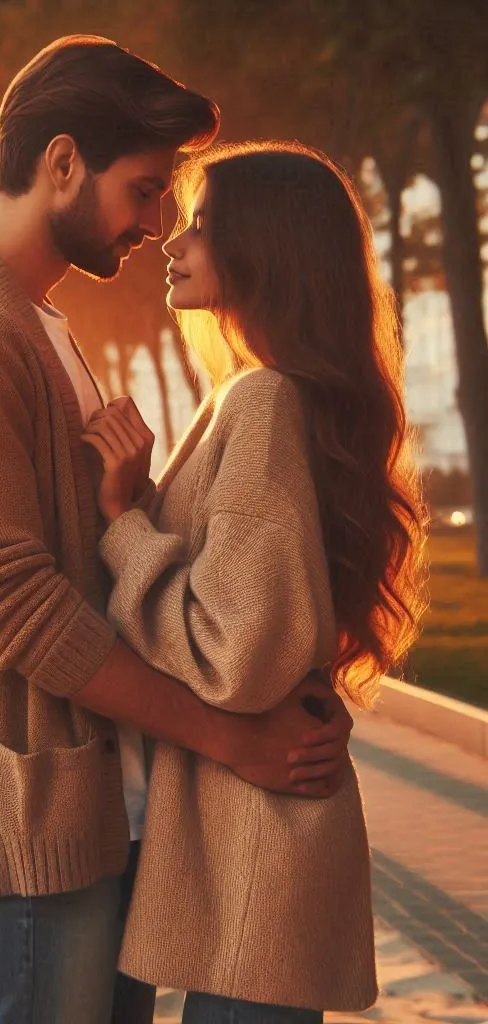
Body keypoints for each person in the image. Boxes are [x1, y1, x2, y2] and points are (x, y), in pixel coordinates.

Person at [0, 37, 355, 1024]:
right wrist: (235, 737)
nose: (156, 221)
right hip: (37, 825)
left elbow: (158, 572)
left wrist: (293, 689)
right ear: (60, 164)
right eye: (143, 190)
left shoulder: (37, 323)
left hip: (112, 814)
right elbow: (7, 603)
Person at [82, 142, 428, 1020]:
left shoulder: (265, 399)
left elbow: (235, 649)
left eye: (203, 223)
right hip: (258, 840)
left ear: (266, 246)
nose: (173, 241)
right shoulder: (256, 391)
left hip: (258, 853)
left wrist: (124, 524)